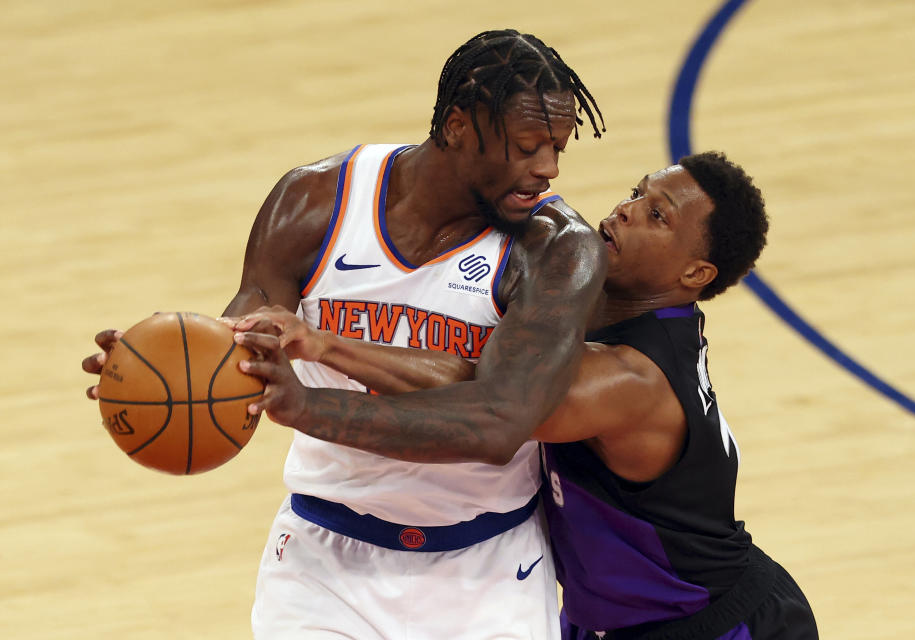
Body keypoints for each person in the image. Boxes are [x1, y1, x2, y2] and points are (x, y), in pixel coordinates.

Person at [83, 29, 607, 639]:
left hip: (488, 573)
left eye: (556, 148)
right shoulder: (318, 202)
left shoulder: (559, 251)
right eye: (526, 147)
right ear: (459, 127)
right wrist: (162, 366)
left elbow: (499, 424)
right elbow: (244, 336)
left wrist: (306, 405)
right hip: (322, 565)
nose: (546, 169)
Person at [230, 152, 819, 639]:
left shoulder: (632, 377)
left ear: (695, 275)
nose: (626, 211)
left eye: (657, 216)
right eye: (638, 193)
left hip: (711, 625)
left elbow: (495, 398)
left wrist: (327, 348)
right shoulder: (600, 311)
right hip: (609, 621)